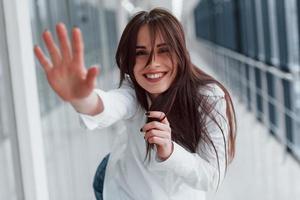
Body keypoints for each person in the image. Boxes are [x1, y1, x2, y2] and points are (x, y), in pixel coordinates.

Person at [34, 7, 236, 200]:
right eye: (140, 53)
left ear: (181, 53)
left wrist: (169, 150)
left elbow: (211, 177)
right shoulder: (135, 89)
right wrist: (81, 98)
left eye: (164, 50)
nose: (153, 63)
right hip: (120, 187)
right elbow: (111, 104)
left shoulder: (209, 98)